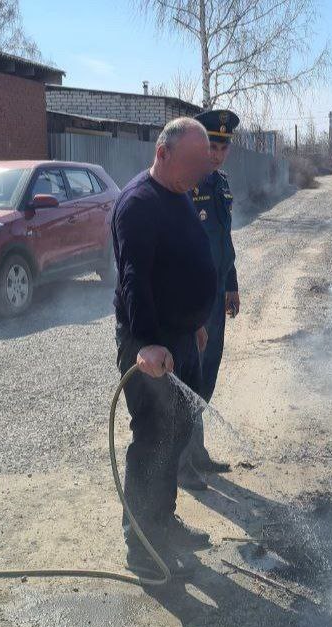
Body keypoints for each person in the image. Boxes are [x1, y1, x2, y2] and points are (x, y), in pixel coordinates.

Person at [111, 117, 218, 570]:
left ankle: (164, 520)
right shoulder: (139, 204)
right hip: (150, 347)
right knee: (152, 440)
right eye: (193, 161)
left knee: (175, 436)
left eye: (204, 162)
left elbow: (181, 266)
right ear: (163, 153)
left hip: (180, 338)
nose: (201, 171)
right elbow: (135, 280)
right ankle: (143, 545)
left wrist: (193, 321)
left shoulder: (177, 194)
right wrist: (150, 343)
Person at [179, 108, 242, 491]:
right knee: (187, 380)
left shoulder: (219, 184)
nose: (217, 154)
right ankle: (181, 465)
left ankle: (196, 453)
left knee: (207, 376)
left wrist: (231, 284)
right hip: (194, 302)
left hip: (217, 297)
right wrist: (191, 312)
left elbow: (224, 241)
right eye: (212, 145)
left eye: (223, 147)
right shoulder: (185, 185)